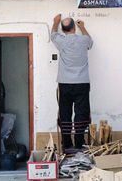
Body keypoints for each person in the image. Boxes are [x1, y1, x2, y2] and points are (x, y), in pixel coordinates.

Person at [51, 14, 93, 149]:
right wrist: (83, 28)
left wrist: (55, 22)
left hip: (65, 83)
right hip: (82, 83)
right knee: (81, 113)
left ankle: (67, 143)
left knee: (65, 112)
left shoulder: (61, 41)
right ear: (75, 27)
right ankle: (79, 143)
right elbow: (90, 42)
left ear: (62, 30)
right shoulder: (83, 40)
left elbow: (53, 34)